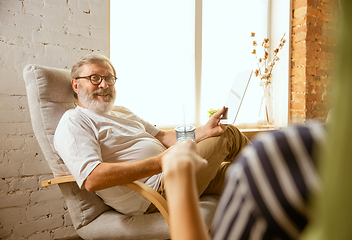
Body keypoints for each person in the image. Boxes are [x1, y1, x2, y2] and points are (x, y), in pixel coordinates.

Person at [54, 54, 250, 215]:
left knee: (244, 177)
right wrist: (159, 163)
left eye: (109, 78)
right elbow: (92, 179)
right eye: (94, 78)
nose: (104, 85)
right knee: (229, 135)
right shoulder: (74, 121)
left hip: (173, 174)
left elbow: (164, 138)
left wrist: (203, 131)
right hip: (151, 193)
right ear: (76, 85)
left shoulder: (122, 111)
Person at [162, 123, 327, 240]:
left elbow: (163, 136)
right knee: (233, 139)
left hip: (169, 159)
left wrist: (204, 131)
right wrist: (163, 164)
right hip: (155, 180)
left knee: (241, 172)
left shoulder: (135, 118)